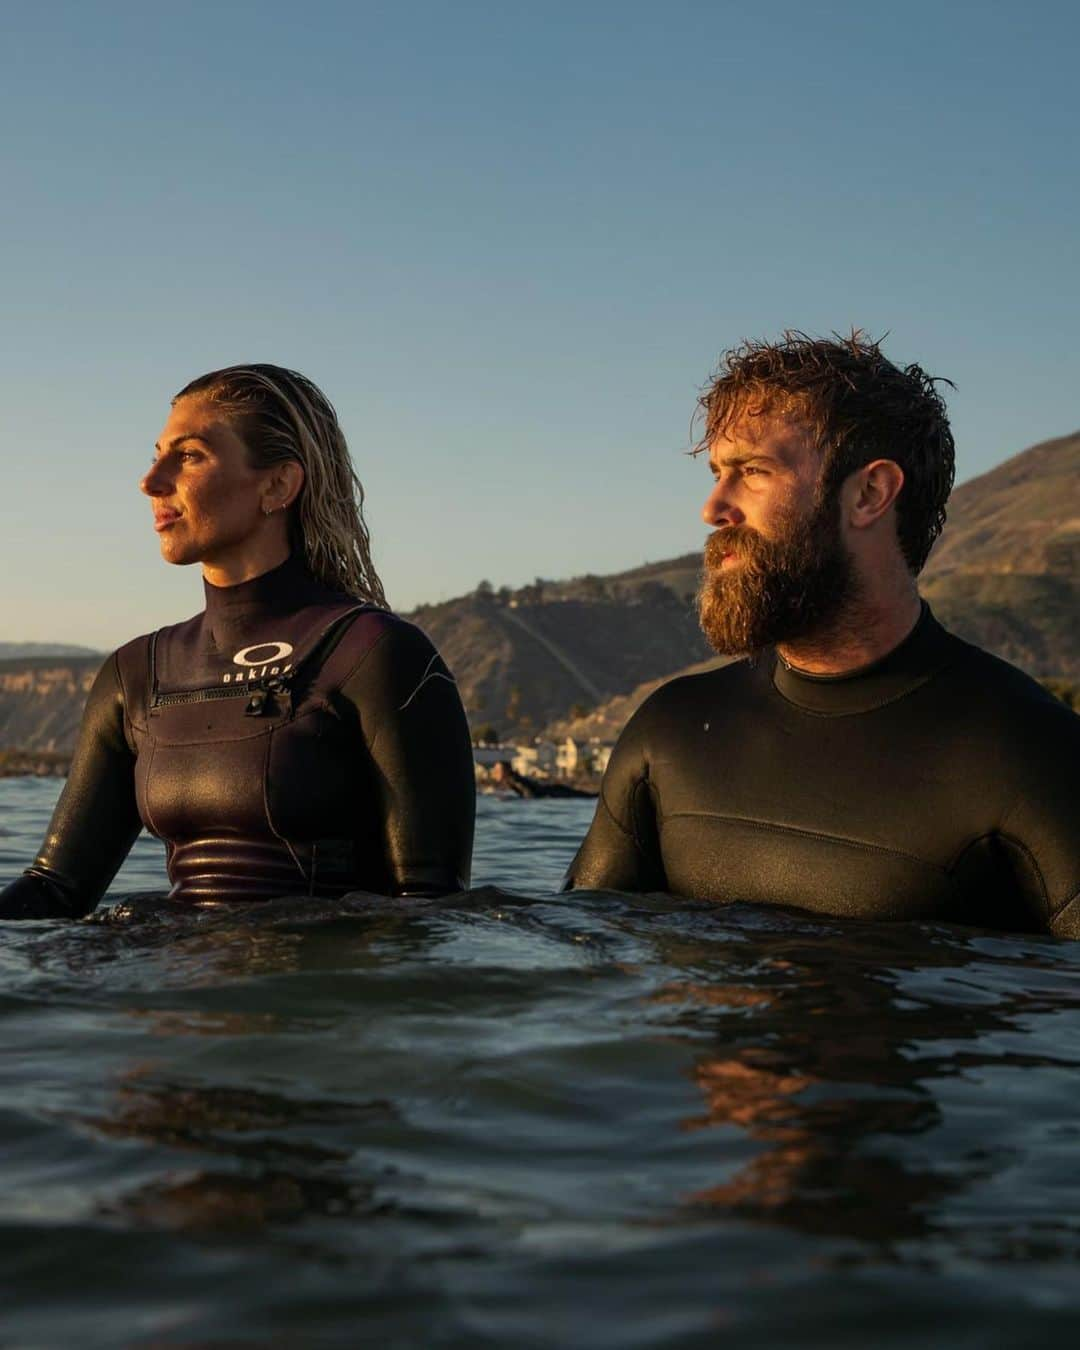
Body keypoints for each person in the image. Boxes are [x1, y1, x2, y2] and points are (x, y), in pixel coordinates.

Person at [565, 333, 1080, 938]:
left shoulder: (1033, 755)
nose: (713, 508)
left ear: (869, 493)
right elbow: (579, 967)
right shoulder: (670, 732)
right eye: (716, 473)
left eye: (753, 471)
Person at [0, 365, 474, 917]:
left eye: (191, 455)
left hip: (308, 991)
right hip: (165, 989)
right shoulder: (136, 673)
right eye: (156, 454)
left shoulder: (374, 654)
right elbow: (55, 889)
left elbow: (430, 909)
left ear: (277, 484)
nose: (151, 481)